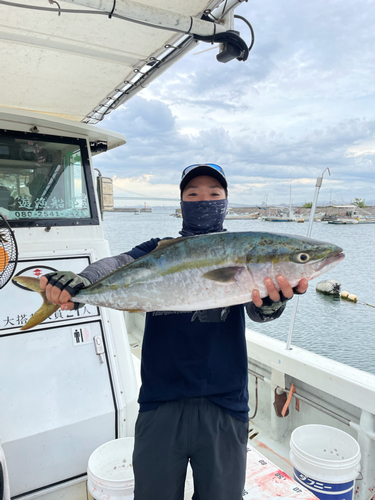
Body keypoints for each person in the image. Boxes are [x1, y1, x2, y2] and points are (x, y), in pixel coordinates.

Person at [40, 163, 308, 500]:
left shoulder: (243, 251)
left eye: (214, 193)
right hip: (161, 399)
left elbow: (257, 310)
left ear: (226, 201)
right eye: (193, 194)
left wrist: (272, 305)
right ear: (181, 203)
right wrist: (85, 281)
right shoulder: (157, 249)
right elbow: (118, 264)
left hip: (224, 401)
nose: (203, 200)